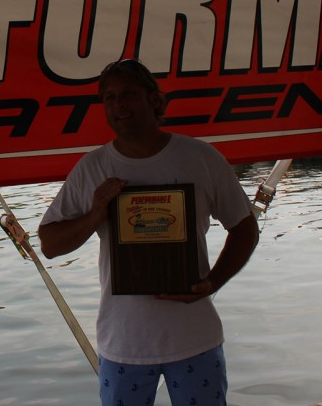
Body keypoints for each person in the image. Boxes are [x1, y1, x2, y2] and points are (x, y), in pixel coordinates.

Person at [38, 59, 259, 406]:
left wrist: (213, 282)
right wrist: (95, 213)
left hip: (195, 338)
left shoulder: (200, 157)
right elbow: (50, 244)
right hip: (123, 344)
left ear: (155, 100)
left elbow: (245, 229)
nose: (119, 105)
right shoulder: (93, 167)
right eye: (109, 98)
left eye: (128, 94)